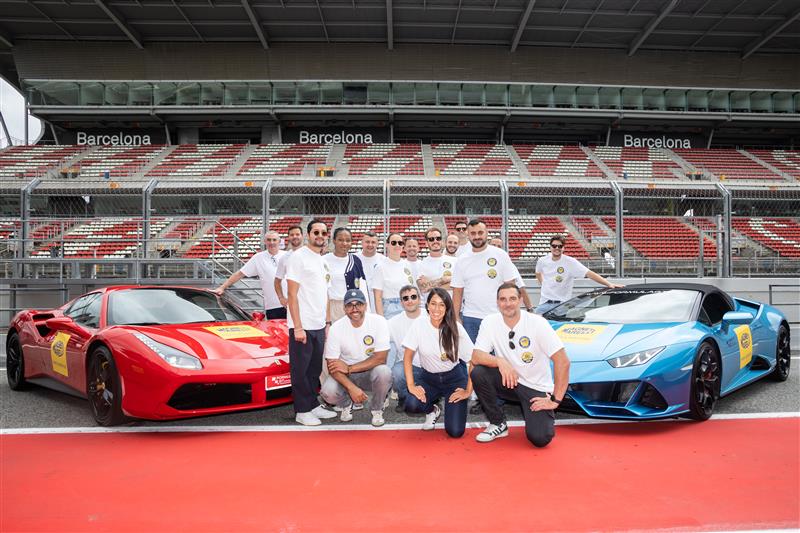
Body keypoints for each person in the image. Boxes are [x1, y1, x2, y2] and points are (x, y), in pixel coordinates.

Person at [471, 283, 570, 447]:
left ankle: (540, 414)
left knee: (540, 439)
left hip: (535, 387)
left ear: (521, 300)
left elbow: (563, 361)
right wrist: (500, 361)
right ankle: (498, 423)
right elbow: (476, 356)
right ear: (497, 302)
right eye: (503, 299)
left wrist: (555, 399)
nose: (507, 303)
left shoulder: (538, 323)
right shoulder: (490, 322)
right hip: (509, 381)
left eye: (512, 299)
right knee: (479, 372)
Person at [285, 219, 337, 426]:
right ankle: (302, 410)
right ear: (308, 234)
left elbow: (325, 294)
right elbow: (292, 294)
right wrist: (297, 326)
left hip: (318, 324)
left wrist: (327, 322)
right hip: (303, 325)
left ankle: (313, 404)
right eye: (316, 232)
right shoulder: (298, 258)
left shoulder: (322, 260)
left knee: (314, 369)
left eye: (324, 233)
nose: (320, 236)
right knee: (301, 369)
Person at [402, 288, 473, 437]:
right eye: (433, 303)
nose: (437, 309)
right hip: (429, 379)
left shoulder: (456, 328)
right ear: (427, 305)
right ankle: (432, 410)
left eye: (442, 305)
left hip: (454, 379)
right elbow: (407, 357)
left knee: (455, 432)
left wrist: (468, 390)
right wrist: (411, 386)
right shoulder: (419, 325)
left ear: (447, 307)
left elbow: (474, 360)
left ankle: (451, 406)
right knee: (411, 405)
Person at [321, 289, 392, 427]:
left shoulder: (379, 321)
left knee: (384, 372)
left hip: (369, 371)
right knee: (328, 392)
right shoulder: (336, 328)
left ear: (365, 305)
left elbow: (381, 358)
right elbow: (332, 366)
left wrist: (349, 368)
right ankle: (347, 404)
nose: (354, 309)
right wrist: (351, 388)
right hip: (346, 375)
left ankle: (377, 408)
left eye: (358, 304)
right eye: (350, 305)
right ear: (344, 308)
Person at [451, 218, 518, 342]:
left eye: (480, 233)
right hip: (470, 318)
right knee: (473, 358)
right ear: (468, 235)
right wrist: (456, 317)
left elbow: (511, 287)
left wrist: (512, 313)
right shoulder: (462, 260)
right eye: (473, 233)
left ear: (486, 233)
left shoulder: (501, 255)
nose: (477, 236)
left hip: (498, 316)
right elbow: (457, 291)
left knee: (499, 357)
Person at [535, 235, 623, 315]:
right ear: (550, 247)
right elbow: (538, 272)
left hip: (561, 306)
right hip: (543, 304)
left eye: (560, 246)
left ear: (563, 248)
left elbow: (589, 273)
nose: (557, 248)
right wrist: (543, 284)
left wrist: (609, 284)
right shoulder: (542, 260)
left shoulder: (570, 262)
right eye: (554, 246)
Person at [214, 230, 286, 319]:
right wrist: (222, 287)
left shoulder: (288, 255)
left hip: (292, 303)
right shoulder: (258, 258)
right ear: (265, 242)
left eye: (274, 240)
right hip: (273, 306)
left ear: (279, 241)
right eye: (269, 240)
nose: (271, 242)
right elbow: (240, 274)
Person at [388, 284, 426, 412]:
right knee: (396, 372)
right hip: (407, 366)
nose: (410, 300)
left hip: (432, 366)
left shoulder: (431, 316)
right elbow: (379, 340)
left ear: (419, 300)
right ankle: (403, 397)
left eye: (413, 297)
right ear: (401, 302)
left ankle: (434, 397)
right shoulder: (393, 322)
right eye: (405, 298)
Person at [324, 227, 368, 323]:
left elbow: (363, 286)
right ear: (334, 241)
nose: (344, 243)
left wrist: (366, 309)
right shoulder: (324, 260)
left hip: (353, 307)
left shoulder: (355, 260)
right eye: (340, 240)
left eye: (348, 240)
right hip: (332, 307)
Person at [373, 233, 416, 319]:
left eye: (400, 243)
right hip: (390, 309)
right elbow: (377, 297)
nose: (397, 245)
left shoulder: (407, 264)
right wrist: (381, 320)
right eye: (394, 243)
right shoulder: (380, 267)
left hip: (408, 306)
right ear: (387, 245)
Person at [489, 236, 534, 312]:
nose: (496, 248)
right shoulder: (478, 262)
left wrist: (530, 309)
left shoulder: (508, 265)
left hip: (498, 310)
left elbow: (520, 288)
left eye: (499, 246)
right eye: (493, 245)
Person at [417, 227, 458, 299]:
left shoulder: (455, 261)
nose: (435, 241)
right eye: (431, 239)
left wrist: (430, 283)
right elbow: (423, 288)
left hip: (452, 306)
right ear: (426, 243)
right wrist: (443, 280)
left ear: (441, 241)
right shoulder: (421, 264)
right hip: (432, 307)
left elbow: (458, 284)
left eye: (438, 238)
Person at [273, 225, 305, 308]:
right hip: (293, 302)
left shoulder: (311, 254)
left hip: (311, 302)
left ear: (302, 236)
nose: (295, 237)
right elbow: (277, 280)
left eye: (297, 234)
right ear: (288, 237)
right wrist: (281, 298)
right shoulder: (285, 258)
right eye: (292, 235)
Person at [356, 231, 384, 310]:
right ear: (362, 243)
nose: (370, 245)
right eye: (367, 242)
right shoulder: (354, 259)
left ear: (377, 244)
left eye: (373, 242)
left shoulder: (383, 260)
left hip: (379, 303)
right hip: (359, 302)